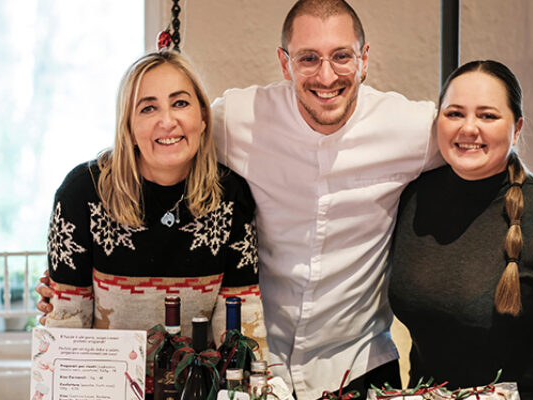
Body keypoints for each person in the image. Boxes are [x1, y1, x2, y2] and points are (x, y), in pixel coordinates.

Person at [39, 1, 441, 397]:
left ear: (364, 59)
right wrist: (65, 286)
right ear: (285, 63)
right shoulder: (237, 120)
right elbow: (159, 145)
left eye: (341, 56)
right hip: (265, 368)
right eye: (307, 58)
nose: (326, 74)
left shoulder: (412, 129)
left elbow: (482, 147)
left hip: (358, 362)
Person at [388, 60, 533, 399]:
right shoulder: (411, 199)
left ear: (518, 127)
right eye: (454, 113)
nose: (468, 128)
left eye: (487, 115)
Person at [43, 50, 267, 359]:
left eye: (180, 103)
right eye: (148, 108)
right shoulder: (82, 192)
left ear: (202, 118)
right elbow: (66, 321)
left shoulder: (230, 195)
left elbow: (240, 323)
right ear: (129, 127)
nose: (167, 120)